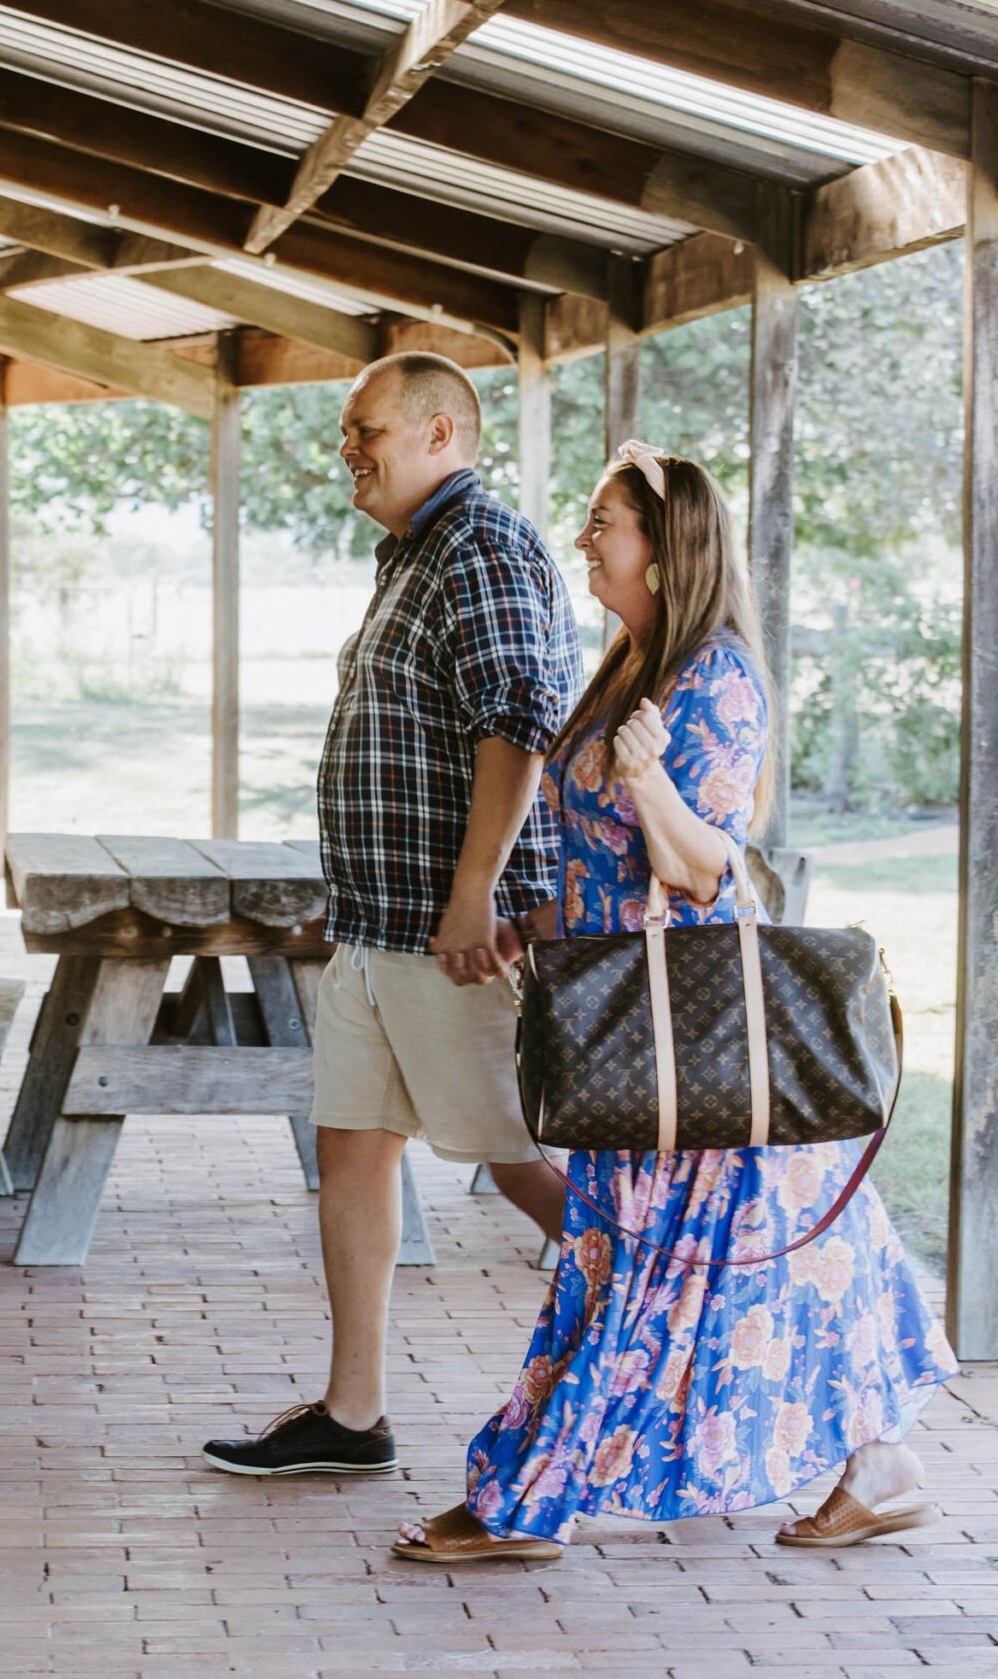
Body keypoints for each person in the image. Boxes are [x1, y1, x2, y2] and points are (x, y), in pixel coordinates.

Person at [390, 442, 956, 1561]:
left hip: (690, 1029)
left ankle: (528, 1497)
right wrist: (534, 922)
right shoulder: (629, 663)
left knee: (670, 1257)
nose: (587, 538)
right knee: (788, 1244)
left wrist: (646, 777)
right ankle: (881, 1462)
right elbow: (596, 854)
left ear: (667, 545)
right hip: (628, 1019)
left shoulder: (716, 680)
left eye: (606, 521)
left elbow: (703, 868)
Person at [202, 352, 583, 1478]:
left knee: (513, 1160)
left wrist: (474, 895)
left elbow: (517, 725)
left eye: (364, 428)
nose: (347, 450)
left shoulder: (485, 546)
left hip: (446, 933)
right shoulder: (415, 553)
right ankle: (353, 1413)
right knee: (353, 1150)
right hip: (375, 924)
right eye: (343, 432)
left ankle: (701, 1317)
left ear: (439, 432)